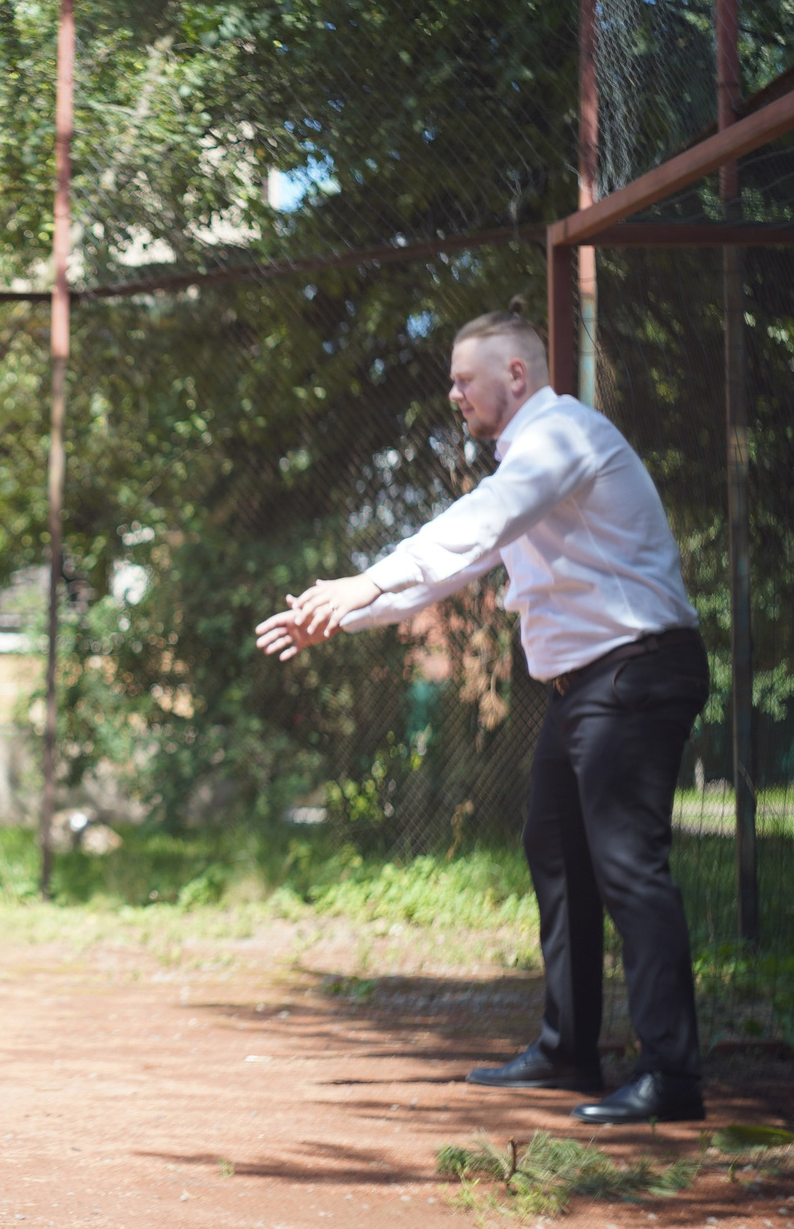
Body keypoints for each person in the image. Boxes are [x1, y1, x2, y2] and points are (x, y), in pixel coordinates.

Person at [254, 301, 710, 1125]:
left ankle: (673, 1074)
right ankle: (570, 1049)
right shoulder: (522, 459)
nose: (454, 394)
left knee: (627, 865)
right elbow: (445, 573)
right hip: (585, 687)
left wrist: (363, 577)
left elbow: (479, 523)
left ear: (517, 374)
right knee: (558, 852)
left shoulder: (562, 437)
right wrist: (341, 614)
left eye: (466, 379)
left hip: (638, 672)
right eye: (451, 382)